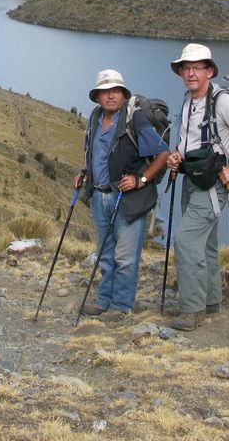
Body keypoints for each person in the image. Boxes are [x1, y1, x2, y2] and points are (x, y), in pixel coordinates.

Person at [165, 43, 229, 331]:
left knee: (186, 242)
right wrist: (177, 155)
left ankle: (192, 309)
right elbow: (192, 141)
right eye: (186, 68)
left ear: (209, 71)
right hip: (192, 179)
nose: (191, 73)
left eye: (197, 67)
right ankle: (211, 301)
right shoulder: (189, 100)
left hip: (212, 186)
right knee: (207, 245)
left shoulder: (223, 101)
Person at [76, 69, 170, 321]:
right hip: (99, 196)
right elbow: (96, 153)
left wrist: (141, 179)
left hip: (127, 198)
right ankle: (103, 300)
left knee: (125, 257)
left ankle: (121, 305)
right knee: (106, 253)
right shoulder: (96, 117)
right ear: (97, 97)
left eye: (115, 91)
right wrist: (85, 172)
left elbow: (163, 154)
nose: (110, 96)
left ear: (123, 94)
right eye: (104, 92)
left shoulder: (134, 119)